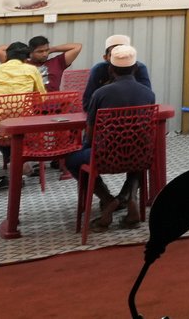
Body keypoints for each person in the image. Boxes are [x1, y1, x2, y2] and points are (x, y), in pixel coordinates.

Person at [64, 44, 155, 231]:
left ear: (111, 69)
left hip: (104, 156)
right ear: (135, 68)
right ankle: (130, 197)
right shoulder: (148, 94)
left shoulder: (100, 94)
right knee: (140, 152)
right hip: (139, 156)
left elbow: (90, 131)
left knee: (71, 160)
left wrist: (89, 149)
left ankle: (108, 199)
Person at [0, 41, 45, 187]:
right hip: (27, 129)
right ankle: (21, 162)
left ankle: (14, 162)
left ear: (7, 56)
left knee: (3, 127)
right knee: (22, 128)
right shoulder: (31, 69)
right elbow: (42, 97)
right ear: (26, 58)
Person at [83, 33, 154, 114]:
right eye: (114, 54)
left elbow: (147, 101)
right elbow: (87, 104)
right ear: (105, 57)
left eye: (124, 54)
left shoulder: (140, 68)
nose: (120, 57)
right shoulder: (98, 70)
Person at [0, 35, 82, 92]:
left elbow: (77, 47)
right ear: (30, 52)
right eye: (40, 51)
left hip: (54, 104)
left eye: (46, 50)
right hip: (30, 106)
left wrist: (53, 49)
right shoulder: (21, 63)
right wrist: (24, 49)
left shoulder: (57, 62)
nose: (45, 54)